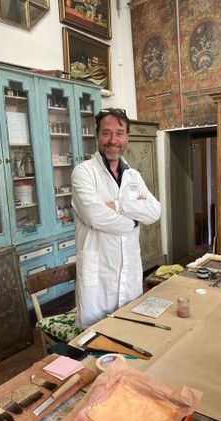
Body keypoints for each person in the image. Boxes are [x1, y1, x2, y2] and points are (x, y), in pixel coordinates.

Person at [71, 108, 161, 330]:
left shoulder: (133, 175)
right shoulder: (83, 173)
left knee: (130, 331)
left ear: (126, 137)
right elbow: (95, 216)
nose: (113, 140)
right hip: (98, 277)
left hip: (129, 271)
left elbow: (154, 211)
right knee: (96, 341)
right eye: (106, 133)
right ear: (97, 135)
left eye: (119, 133)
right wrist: (132, 221)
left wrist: (119, 205)